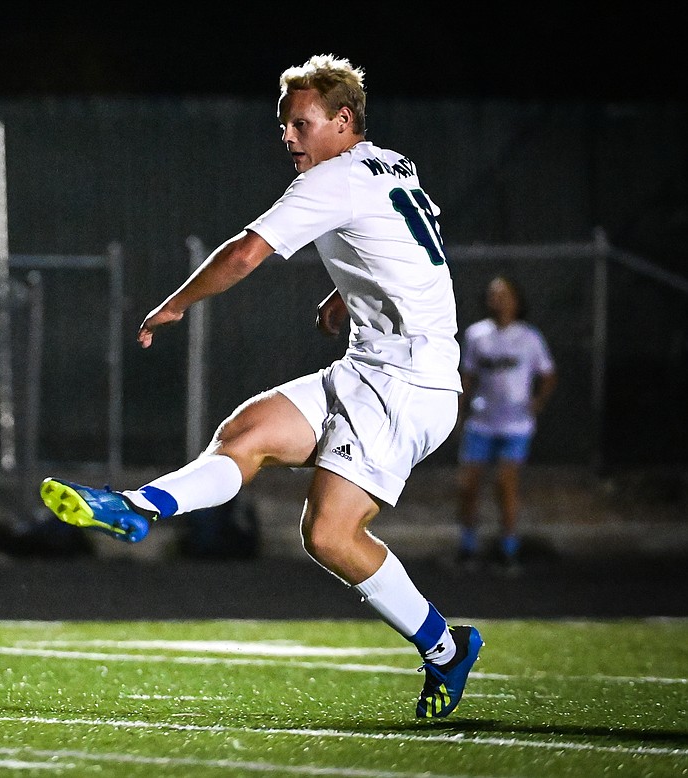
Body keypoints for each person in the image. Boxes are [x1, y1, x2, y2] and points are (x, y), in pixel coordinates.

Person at [39, 53, 482, 719]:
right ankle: (136, 507)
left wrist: (178, 302)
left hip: (407, 386)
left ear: (343, 120)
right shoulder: (392, 164)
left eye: (301, 123)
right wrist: (344, 295)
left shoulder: (332, 179)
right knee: (246, 433)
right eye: (283, 124)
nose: (288, 136)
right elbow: (404, 246)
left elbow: (245, 253)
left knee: (330, 535)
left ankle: (447, 649)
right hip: (372, 366)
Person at [455, 275, 557, 572]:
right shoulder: (477, 335)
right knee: (468, 486)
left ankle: (508, 549)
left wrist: (536, 402)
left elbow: (548, 374)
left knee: (505, 484)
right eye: (493, 294)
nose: (498, 300)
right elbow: (468, 376)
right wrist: (460, 413)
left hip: (515, 426)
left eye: (504, 294)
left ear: (517, 300)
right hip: (482, 421)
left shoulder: (529, 337)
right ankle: (467, 546)